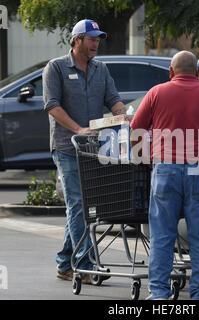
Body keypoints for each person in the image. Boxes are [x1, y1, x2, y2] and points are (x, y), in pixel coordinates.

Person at [130, 50, 199, 300]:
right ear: (197, 71)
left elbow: (136, 130)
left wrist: (147, 160)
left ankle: (160, 294)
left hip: (165, 168)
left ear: (171, 72)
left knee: (162, 235)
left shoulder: (156, 92)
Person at [42, 19, 126, 282]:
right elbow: (52, 105)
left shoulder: (101, 69)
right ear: (76, 39)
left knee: (82, 206)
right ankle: (84, 263)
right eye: (91, 39)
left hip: (93, 148)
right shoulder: (55, 67)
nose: (95, 44)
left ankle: (65, 263)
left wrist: (123, 115)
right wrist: (77, 128)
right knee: (79, 204)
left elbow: (113, 99)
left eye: (98, 40)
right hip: (68, 147)